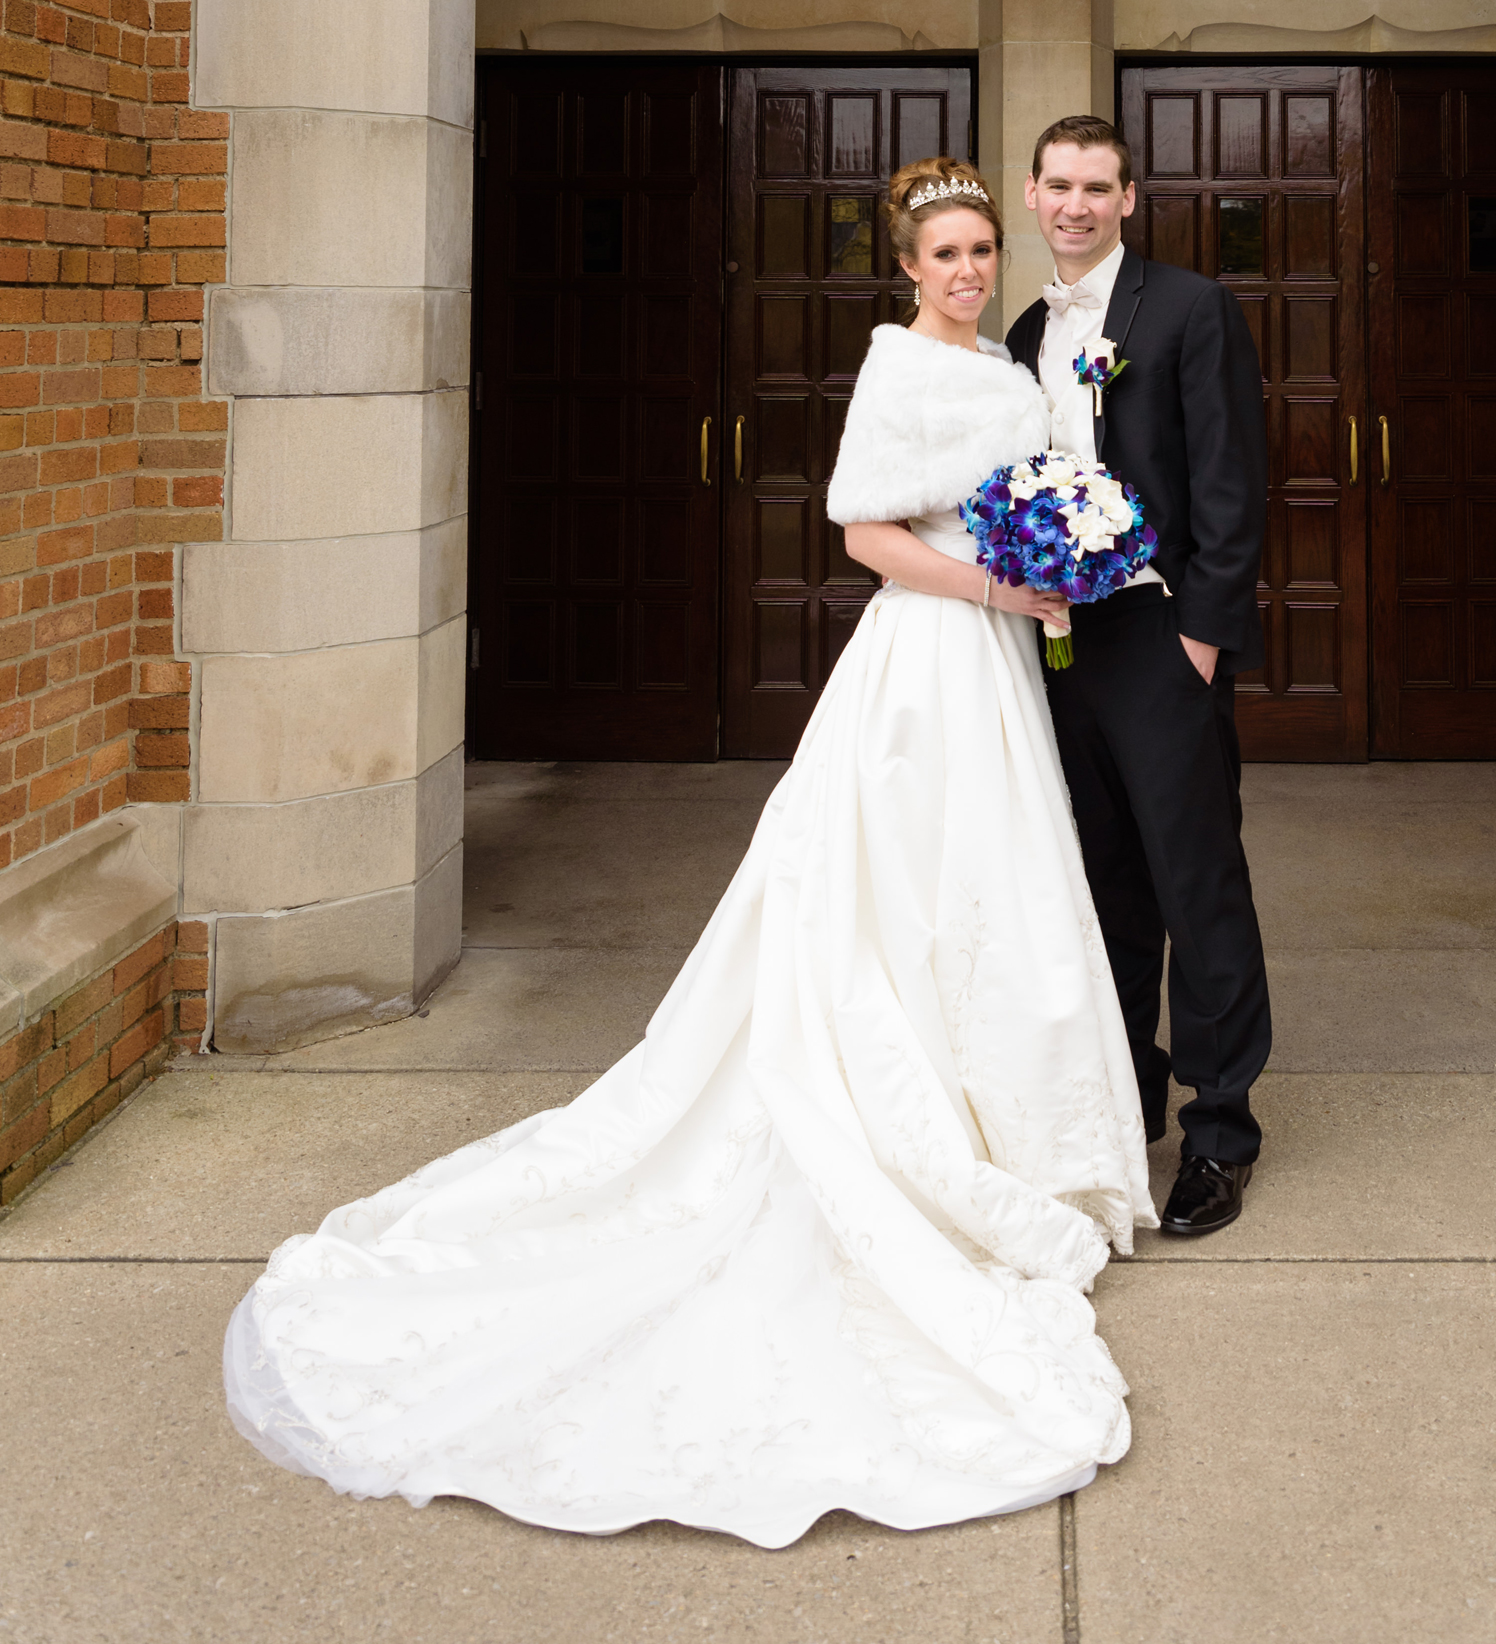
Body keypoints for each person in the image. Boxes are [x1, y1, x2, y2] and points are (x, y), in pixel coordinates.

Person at [222, 158, 1153, 1549]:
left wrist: (1073, 555)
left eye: (978, 252)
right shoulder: (897, 370)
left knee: (1002, 896)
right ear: (908, 268)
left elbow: (1038, 481)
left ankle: (1004, 1131)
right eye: (944, 254)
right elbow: (863, 532)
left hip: (1003, 672)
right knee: (899, 895)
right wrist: (998, 583)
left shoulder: (1016, 371)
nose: (966, 271)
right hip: (926, 662)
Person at [1006, 114, 1273, 1239]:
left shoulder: (1187, 307)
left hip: (1161, 640)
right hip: (1061, 645)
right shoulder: (1022, 328)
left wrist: (1200, 638)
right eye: (1057, 184)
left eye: (1094, 186)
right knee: (1102, 883)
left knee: (1192, 879)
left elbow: (1228, 478)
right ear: (1032, 195)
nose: (1074, 203)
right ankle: (1128, 1098)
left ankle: (1219, 1129)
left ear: (1127, 195)